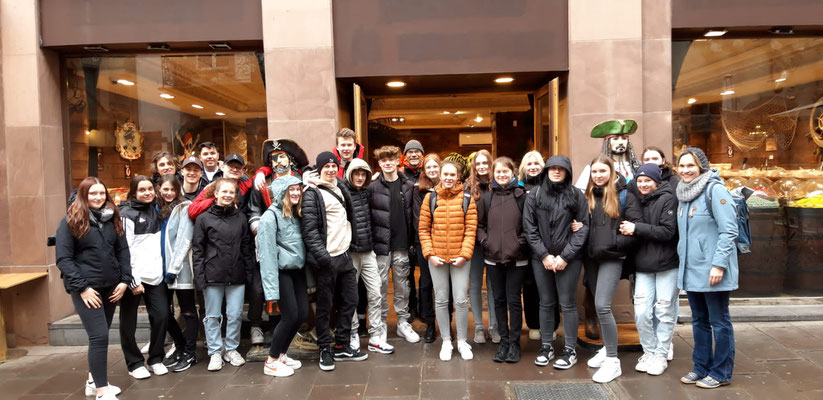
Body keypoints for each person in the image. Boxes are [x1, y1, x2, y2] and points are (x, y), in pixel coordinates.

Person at [55, 177, 131, 400]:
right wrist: (83, 288)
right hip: (87, 289)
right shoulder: (70, 221)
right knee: (99, 336)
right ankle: (101, 391)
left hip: (111, 287)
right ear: (83, 196)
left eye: (101, 193)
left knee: (101, 334)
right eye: (93, 194)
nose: (98, 197)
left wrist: (124, 280)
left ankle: (92, 382)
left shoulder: (112, 218)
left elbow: (123, 251)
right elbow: (64, 259)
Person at [675, 147, 738, 389]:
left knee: (719, 322)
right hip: (692, 270)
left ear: (701, 166)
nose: (685, 170)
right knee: (699, 320)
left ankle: (721, 372)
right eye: (682, 166)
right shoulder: (684, 192)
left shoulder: (715, 190)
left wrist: (718, 265)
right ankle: (701, 367)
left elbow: (729, 230)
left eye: (690, 165)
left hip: (712, 270)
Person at [302, 151, 368, 371]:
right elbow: (310, 231)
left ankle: (341, 345)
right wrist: (324, 258)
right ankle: (324, 348)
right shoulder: (312, 192)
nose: (330, 170)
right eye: (326, 167)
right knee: (325, 306)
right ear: (319, 169)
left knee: (351, 300)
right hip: (327, 259)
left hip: (345, 255)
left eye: (333, 166)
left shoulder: (339, 186)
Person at [522, 155, 588, 370]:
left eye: (561, 168)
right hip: (541, 259)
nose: (556, 172)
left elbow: (583, 227)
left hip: (569, 259)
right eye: (553, 168)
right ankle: (546, 346)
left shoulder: (576, 195)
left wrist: (565, 257)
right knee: (546, 302)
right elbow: (529, 228)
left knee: (567, 303)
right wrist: (544, 255)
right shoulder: (535, 195)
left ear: (567, 172)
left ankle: (570, 350)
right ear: (547, 171)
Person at [583, 156, 641, 383]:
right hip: (591, 259)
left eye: (602, 171)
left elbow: (635, 229)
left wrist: (615, 244)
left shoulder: (625, 195)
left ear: (612, 171)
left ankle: (613, 361)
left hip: (612, 258)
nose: (598, 175)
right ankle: (607, 348)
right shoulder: (588, 195)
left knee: (602, 305)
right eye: (594, 171)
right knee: (599, 306)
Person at [247, 139, 309, 347]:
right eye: (273, 159)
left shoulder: (301, 180)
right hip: (271, 244)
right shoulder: (262, 183)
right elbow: (254, 210)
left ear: (291, 159)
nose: (278, 162)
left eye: (282, 157)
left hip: (296, 250)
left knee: (300, 305)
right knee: (265, 289)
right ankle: (274, 338)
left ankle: (291, 336)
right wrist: (259, 227)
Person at [618, 164, 678, 376]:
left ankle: (661, 353)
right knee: (642, 311)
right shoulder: (635, 200)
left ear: (656, 182)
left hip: (667, 264)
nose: (643, 184)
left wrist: (636, 228)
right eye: (640, 181)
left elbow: (668, 232)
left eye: (647, 181)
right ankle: (649, 351)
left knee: (664, 310)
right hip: (643, 265)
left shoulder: (668, 198)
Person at [192, 178, 255, 371]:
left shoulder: (241, 218)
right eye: (224, 192)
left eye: (231, 192)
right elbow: (198, 250)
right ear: (216, 193)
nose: (227, 195)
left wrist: (249, 272)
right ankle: (215, 352)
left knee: (235, 314)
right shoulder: (204, 219)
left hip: (236, 273)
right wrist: (199, 276)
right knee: (212, 316)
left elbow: (247, 247)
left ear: (235, 195)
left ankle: (231, 349)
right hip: (213, 274)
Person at [418, 160, 477, 361]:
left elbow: (471, 230)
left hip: (460, 258)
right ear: (440, 176)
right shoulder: (431, 198)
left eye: (452, 175)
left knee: (460, 300)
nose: (449, 178)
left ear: (458, 176)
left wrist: (464, 255)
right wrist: (430, 254)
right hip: (437, 257)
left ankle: (462, 341)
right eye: (446, 174)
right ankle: (446, 341)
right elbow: (423, 229)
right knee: (441, 299)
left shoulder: (467, 198)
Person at [477, 157, 529, 363]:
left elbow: (529, 226)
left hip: (517, 258)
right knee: (498, 300)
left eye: (505, 171)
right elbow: (479, 225)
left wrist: (518, 244)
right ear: (493, 174)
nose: (501, 175)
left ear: (513, 172)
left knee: (514, 301)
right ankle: (504, 342)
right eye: (498, 172)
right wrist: (485, 242)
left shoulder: (522, 197)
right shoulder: (487, 198)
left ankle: (515, 343)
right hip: (493, 258)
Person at [257, 175, 309, 377]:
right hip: (281, 272)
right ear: (282, 193)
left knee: (302, 314)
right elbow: (267, 255)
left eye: (298, 189)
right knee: (289, 316)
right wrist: (271, 291)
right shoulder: (269, 218)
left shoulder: (296, 214)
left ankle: (281, 354)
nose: (296, 193)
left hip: (297, 271)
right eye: (291, 190)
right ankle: (271, 361)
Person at [118, 175, 169, 380]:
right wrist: (133, 280)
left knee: (161, 315)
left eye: (150, 189)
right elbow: (125, 249)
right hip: (133, 278)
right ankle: (134, 363)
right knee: (128, 322)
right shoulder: (126, 214)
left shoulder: (156, 209)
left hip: (155, 276)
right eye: (142, 190)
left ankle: (156, 358)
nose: (147, 193)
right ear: (133, 192)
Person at [369, 145, 420, 344]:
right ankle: (381, 324)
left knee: (402, 287)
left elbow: (414, 215)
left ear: (398, 161)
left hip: (402, 244)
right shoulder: (373, 187)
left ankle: (403, 323)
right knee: (380, 287)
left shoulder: (408, 185)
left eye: (391, 159)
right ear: (379, 163)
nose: (388, 163)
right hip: (381, 246)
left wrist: (413, 241)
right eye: (384, 160)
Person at [344, 158, 393, 354]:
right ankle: (353, 333)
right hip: (350, 252)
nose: (359, 177)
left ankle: (375, 336)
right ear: (350, 174)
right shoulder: (343, 191)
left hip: (368, 251)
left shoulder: (368, 192)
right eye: (356, 173)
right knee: (350, 297)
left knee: (376, 293)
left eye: (363, 174)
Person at [155, 175, 197, 373]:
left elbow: (185, 239)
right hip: (158, 268)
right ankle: (179, 345)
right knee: (162, 312)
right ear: (159, 189)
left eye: (173, 189)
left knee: (188, 310)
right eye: (165, 189)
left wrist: (174, 268)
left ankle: (190, 353)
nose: (169, 193)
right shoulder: (155, 209)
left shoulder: (184, 207)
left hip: (180, 269)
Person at [465, 149, 498, 344]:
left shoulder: (498, 184)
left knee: (494, 286)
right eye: (478, 164)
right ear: (474, 166)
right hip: (475, 244)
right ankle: (479, 326)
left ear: (491, 164)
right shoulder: (468, 187)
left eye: (485, 163)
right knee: (476, 285)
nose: (482, 166)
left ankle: (494, 326)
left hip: (495, 244)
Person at [413, 154, 445, 343]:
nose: (432, 170)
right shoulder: (419, 191)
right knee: (426, 283)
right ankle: (430, 323)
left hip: (445, 242)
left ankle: (446, 322)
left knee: (446, 285)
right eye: (429, 167)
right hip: (424, 242)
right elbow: (419, 219)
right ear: (424, 171)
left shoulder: (448, 187)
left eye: (435, 166)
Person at [517, 150, 546, 342]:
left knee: (548, 287)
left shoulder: (550, 186)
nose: (533, 167)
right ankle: (534, 325)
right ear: (523, 167)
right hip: (525, 245)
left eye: (536, 163)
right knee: (529, 287)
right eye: (529, 163)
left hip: (548, 244)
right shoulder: (518, 188)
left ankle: (549, 324)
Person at [400, 139, 425, 323]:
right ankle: (411, 308)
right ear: (405, 156)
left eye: (417, 151)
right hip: (405, 232)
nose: (414, 154)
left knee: (426, 275)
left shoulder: (428, 174)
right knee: (406, 275)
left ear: (422, 155)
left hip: (424, 231)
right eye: (410, 152)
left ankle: (425, 308)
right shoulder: (400, 175)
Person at [187, 154, 253, 220]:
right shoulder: (212, 186)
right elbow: (192, 211)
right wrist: (217, 199)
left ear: (243, 171)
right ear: (222, 167)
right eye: (230, 166)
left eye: (238, 167)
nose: (235, 169)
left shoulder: (246, 186)